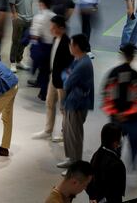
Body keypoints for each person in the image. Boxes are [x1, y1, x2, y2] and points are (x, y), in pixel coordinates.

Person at [102, 44, 137, 171]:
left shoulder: (113, 74)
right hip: (133, 120)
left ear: (122, 55)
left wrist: (116, 113)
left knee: (114, 145)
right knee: (134, 143)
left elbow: (106, 97)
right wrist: (127, 114)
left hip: (116, 120)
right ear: (133, 57)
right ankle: (133, 167)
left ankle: (114, 168)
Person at [32, 15, 73, 140]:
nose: (51, 29)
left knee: (64, 108)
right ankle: (48, 130)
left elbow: (68, 66)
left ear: (61, 28)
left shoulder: (67, 43)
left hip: (61, 82)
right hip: (53, 77)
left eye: (53, 27)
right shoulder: (56, 39)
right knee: (49, 103)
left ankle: (64, 132)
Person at [58, 34, 94, 170]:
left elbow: (67, 82)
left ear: (77, 46)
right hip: (71, 102)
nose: (69, 47)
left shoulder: (83, 64)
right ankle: (70, 159)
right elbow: (65, 75)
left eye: (71, 44)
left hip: (77, 105)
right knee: (67, 132)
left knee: (75, 135)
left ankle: (76, 165)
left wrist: (67, 75)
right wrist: (67, 75)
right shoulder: (78, 60)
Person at [86, 123, 126, 203]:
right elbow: (117, 191)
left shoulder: (97, 154)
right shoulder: (116, 164)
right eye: (120, 137)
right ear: (115, 142)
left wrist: (92, 196)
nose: (121, 140)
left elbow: (89, 180)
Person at [29, 0, 55, 101]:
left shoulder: (38, 17)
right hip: (52, 46)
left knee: (43, 70)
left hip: (42, 45)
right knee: (48, 70)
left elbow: (34, 35)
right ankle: (42, 87)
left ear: (42, 4)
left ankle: (43, 92)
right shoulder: (54, 16)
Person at [9, 0, 34, 73]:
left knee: (24, 41)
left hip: (29, 19)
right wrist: (15, 15)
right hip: (19, 19)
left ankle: (19, 60)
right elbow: (11, 2)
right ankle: (13, 62)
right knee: (16, 41)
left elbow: (30, 1)